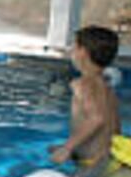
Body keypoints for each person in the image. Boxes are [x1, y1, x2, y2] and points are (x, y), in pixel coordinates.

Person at [49, 26, 120, 167]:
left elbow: (97, 118)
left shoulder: (83, 84)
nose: (71, 51)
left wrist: (67, 148)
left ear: (83, 52)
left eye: (74, 47)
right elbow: (113, 124)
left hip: (91, 162)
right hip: (105, 155)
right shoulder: (105, 85)